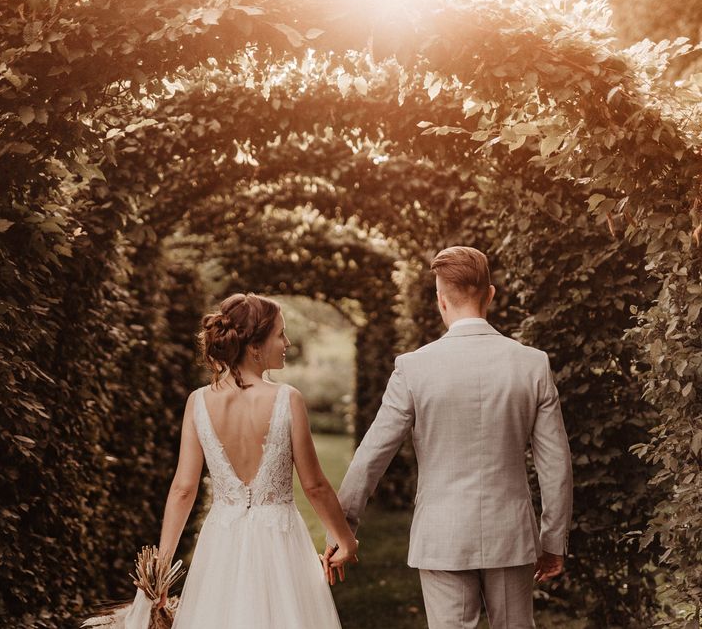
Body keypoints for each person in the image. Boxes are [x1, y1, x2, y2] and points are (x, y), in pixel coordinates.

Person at [323, 246, 573, 628]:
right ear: (490, 294)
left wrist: (343, 528)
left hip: (442, 536)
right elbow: (555, 464)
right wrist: (553, 540)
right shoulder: (532, 363)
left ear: (440, 300)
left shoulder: (413, 368)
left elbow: (372, 455)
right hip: (511, 535)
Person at [154, 292, 358, 628]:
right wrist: (346, 540)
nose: (287, 342)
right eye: (280, 333)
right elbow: (315, 486)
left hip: (221, 542)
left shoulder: (198, 402)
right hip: (280, 541)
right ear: (254, 346)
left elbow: (182, 489)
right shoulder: (287, 399)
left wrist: (161, 569)